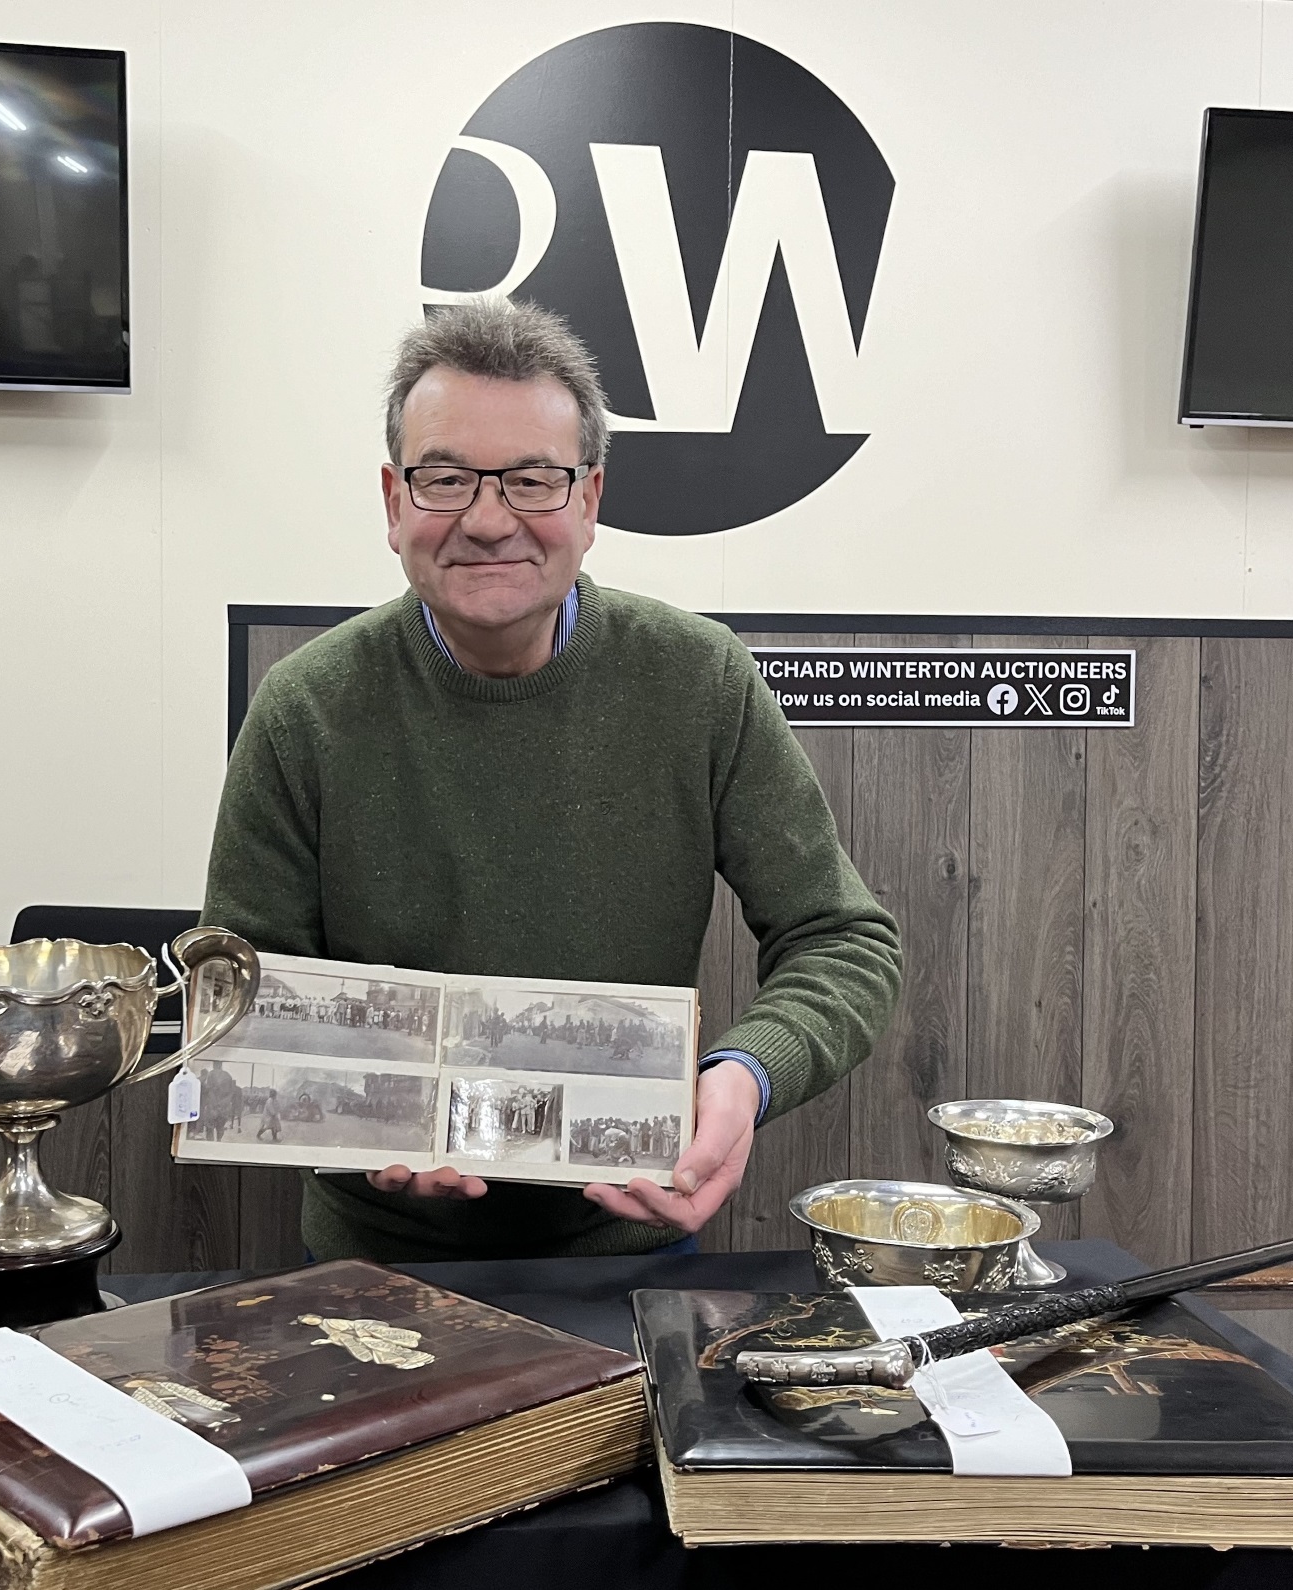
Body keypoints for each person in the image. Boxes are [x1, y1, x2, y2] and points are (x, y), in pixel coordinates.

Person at [202, 298, 902, 1262]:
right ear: (395, 500)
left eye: (533, 480)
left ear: (590, 499)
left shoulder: (699, 680)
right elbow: (246, 986)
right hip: (378, 1257)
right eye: (445, 477)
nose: (489, 521)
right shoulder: (306, 707)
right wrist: (349, 1128)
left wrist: (745, 1074)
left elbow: (842, 937)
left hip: (627, 1248)